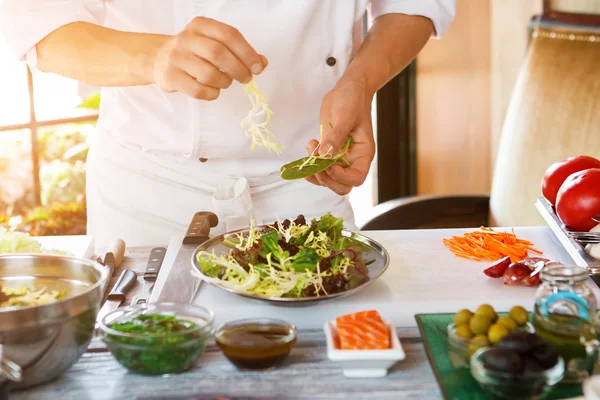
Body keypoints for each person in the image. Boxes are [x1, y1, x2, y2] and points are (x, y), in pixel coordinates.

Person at [0, 1, 455, 247]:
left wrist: (360, 80)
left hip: (307, 181)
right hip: (152, 192)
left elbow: (413, 3)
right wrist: (154, 56)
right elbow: (41, 24)